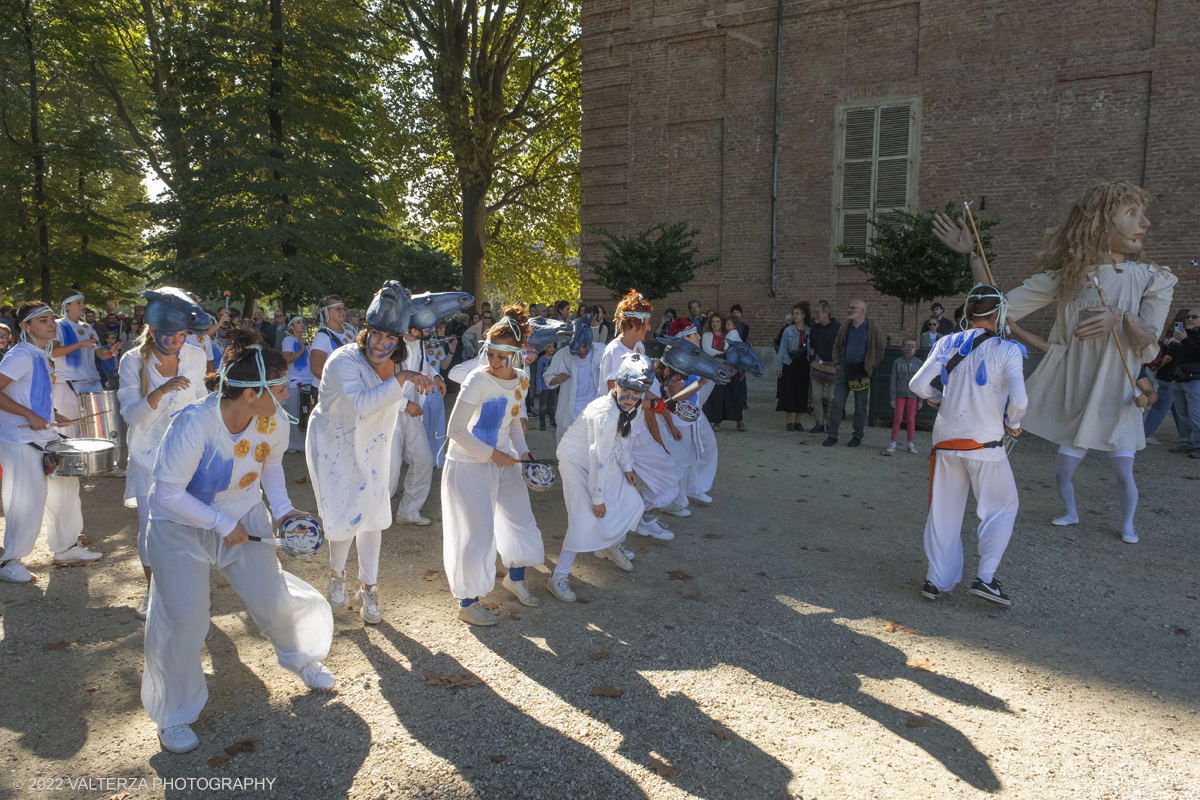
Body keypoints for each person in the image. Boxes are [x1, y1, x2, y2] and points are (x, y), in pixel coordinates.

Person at [934, 180, 1177, 544]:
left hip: (1118, 390)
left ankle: (1128, 525)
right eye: (1131, 214)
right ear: (1098, 223)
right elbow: (999, 309)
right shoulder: (1069, 276)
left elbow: (1149, 346)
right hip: (1075, 390)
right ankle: (1070, 512)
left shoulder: (1152, 279)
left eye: (1142, 214)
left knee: (1125, 474)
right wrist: (973, 256)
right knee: (1065, 469)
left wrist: (1122, 316)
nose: (1144, 223)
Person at [141, 329, 335, 755]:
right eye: (279, 387)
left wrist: (283, 512)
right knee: (186, 620)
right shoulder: (195, 424)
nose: (286, 395)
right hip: (178, 527)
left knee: (272, 596)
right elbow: (166, 493)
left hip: (243, 513)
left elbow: (270, 468)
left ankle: (301, 658)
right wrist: (220, 523)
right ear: (250, 393)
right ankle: (175, 715)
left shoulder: (272, 421)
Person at [307, 282, 434, 626]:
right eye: (377, 335)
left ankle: (370, 588)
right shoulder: (343, 360)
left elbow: (384, 400)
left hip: (372, 442)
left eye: (390, 339)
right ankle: (336, 575)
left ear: (398, 341)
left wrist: (404, 393)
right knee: (343, 513)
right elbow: (363, 403)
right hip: (335, 443)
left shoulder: (393, 363)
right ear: (366, 332)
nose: (382, 343)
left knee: (374, 515)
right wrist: (404, 379)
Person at [909, 284, 1027, 606]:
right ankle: (985, 578)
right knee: (1001, 507)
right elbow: (1020, 400)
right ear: (998, 313)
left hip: (946, 441)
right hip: (985, 444)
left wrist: (935, 397)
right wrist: (1013, 425)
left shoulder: (947, 342)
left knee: (943, 511)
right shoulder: (1008, 349)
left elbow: (917, 384)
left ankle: (936, 579)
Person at [443, 305, 547, 625]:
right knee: (478, 533)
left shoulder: (521, 378)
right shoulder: (477, 379)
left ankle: (515, 579)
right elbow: (455, 431)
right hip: (467, 464)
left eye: (503, 355)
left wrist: (525, 455)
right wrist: (492, 455)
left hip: (505, 460)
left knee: (521, 520)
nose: (494, 361)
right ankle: (468, 602)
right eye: (491, 352)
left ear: (517, 355)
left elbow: (514, 423)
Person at [118, 289, 210, 618]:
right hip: (148, 456)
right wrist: (159, 390)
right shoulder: (133, 361)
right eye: (171, 335)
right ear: (154, 332)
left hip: (189, 452)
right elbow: (131, 415)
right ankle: (153, 591)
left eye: (184, 334)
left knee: (193, 522)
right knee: (151, 525)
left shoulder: (196, 356)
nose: (178, 341)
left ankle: (191, 588)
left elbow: (201, 398)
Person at [0, 303, 100, 583]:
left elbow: (30, 393)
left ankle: (66, 547)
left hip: (44, 436)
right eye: (41, 320)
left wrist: (53, 414)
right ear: (25, 326)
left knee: (66, 488)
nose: (50, 324)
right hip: (20, 438)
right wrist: (30, 415)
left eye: (51, 319)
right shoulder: (19, 355)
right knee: (25, 500)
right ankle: (10, 560)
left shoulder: (41, 354)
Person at [549, 353, 654, 601]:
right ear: (616, 385)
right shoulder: (604, 413)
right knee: (583, 518)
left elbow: (625, 438)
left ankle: (609, 544)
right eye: (626, 391)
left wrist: (627, 467)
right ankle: (558, 577)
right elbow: (598, 456)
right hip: (576, 460)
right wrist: (598, 498)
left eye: (637, 393)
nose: (630, 398)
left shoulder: (634, 405)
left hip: (603, 460)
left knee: (632, 502)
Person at [600, 290, 678, 539]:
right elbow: (616, 397)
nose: (649, 326)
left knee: (665, 469)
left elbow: (643, 388)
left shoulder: (640, 346)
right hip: (618, 430)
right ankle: (611, 538)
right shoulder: (613, 352)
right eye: (645, 321)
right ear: (632, 323)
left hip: (639, 426)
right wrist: (650, 406)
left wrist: (663, 402)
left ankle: (644, 516)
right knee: (617, 484)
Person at [388, 315, 443, 527]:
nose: (432, 329)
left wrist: (435, 376)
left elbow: (423, 366)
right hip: (389, 412)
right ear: (412, 328)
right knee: (390, 468)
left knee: (423, 460)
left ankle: (408, 511)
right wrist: (404, 404)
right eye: (427, 327)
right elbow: (380, 383)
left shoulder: (418, 343)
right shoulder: (390, 344)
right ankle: (372, 515)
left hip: (412, 413)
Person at [52, 290, 121, 439]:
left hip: (93, 383)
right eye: (78, 303)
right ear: (67, 306)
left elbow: (101, 354)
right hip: (69, 384)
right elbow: (53, 352)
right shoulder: (58, 325)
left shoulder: (88, 328)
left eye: (83, 302)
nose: (83, 305)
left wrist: (112, 352)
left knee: (97, 431)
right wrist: (81, 344)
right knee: (70, 432)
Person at [823, 299, 885, 448]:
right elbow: (836, 346)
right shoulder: (845, 327)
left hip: (861, 372)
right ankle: (832, 435)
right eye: (849, 307)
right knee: (837, 403)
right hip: (843, 369)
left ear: (861, 311)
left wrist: (869, 366)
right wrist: (837, 363)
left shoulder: (872, 328)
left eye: (852, 307)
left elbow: (880, 351)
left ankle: (857, 436)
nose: (849, 310)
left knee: (860, 405)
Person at [546, 323, 601, 443]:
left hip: (593, 415)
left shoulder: (601, 351)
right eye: (577, 349)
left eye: (584, 347)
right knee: (566, 455)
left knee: (591, 456)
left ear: (591, 341)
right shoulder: (562, 355)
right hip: (568, 415)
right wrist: (554, 380)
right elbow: (548, 376)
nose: (581, 352)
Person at [1164, 308, 1200, 457]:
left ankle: (1198, 445)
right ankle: (1187, 443)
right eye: (1188, 316)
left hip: (1195, 379)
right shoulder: (1185, 333)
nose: (1190, 319)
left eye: (1194, 316)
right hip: (1179, 377)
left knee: (1196, 413)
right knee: (1182, 413)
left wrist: (1185, 340)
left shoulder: (1189, 336)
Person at [309, 295, 354, 401]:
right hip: (328, 391)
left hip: (348, 388)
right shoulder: (321, 337)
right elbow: (316, 369)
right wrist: (340, 385)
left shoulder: (350, 332)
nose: (342, 312)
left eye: (344, 309)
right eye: (338, 309)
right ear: (326, 312)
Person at [775, 303, 811, 431]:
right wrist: (779, 367)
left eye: (797, 313)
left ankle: (798, 421)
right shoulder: (788, 330)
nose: (795, 316)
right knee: (789, 391)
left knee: (801, 392)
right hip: (789, 363)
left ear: (804, 315)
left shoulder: (809, 331)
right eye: (793, 313)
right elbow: (782, 349)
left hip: (803, 365)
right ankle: (789, 421)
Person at [280, 315, 313, 453]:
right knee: (294, 412)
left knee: (306, 412)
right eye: (298, 323)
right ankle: (293, 443)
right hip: (295, 381)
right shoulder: (288, 340)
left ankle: (306, 442)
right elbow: (287, 360)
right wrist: (300, 349)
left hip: (308, 380)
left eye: (302, 322)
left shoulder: (304, 341)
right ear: (291, 327)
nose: (302, 325)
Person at [808, 301, 839, 433]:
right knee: (816, 397)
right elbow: (812, 346)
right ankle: (819, 423)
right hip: (818, 367)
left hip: (833, 368)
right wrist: (811, 361)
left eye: (818, 312)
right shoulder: (815, 328)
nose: (815, 314)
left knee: (832, 398)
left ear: (826, 313)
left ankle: (830, 424)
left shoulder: (838, 328)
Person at [888, 338, 923, 454]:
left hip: (913, 395)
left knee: (911, 419)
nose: (910, 349)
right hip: (900, 394)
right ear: (903, 348)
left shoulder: (919, 363)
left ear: (916, 348)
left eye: (913, 347)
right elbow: (893, 380)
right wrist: (892, 396)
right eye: (908, 346)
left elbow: (921, 382)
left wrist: (920, 399)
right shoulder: (897, 362)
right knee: (897, 418)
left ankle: (910, 443)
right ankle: (893, 442)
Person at [535, 342, 558, 431]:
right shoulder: (541, 360)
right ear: (545, 348)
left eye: (553, 346)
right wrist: (539, 386)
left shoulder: (555, 359)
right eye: (549, 346)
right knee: (543, 406)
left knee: (552, 406)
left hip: (553, 386)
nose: (551, 349)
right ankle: (542, 422)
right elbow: (539, 373)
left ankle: (552, 422)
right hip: (544, 388)